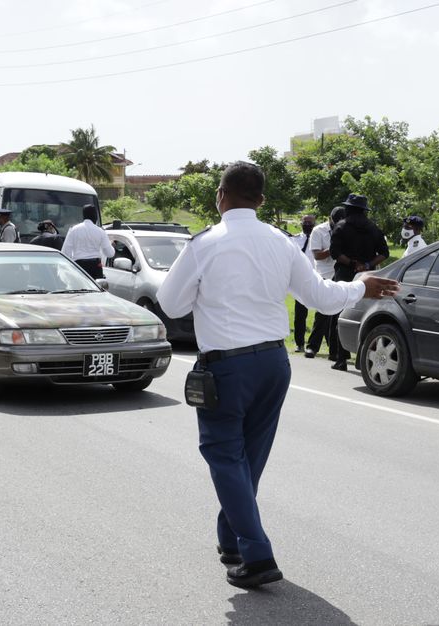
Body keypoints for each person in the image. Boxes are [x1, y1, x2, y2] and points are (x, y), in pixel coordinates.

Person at [156, 162, 399, 589]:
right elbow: (323, 299)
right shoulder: (281, 242)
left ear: (220, 195)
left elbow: (171, 304)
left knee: (224, 456)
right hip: (273, 363)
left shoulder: (205, 243)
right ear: (262, 201)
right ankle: (230, 538)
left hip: (227, 366)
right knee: (248, 457)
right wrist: (362, 285)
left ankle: (257, 553)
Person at [327, 194, 388, 371]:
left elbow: (334, 253)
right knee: (365, 314)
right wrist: (367, 265)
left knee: (340, 314)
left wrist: (353, 264)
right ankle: (362, 358)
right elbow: (384, 252)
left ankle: (340, 358)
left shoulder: (341, 226)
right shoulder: (373, 228)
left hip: (345, 273)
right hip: (367, 276)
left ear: (348, 209)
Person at [304, 207, 344, 358]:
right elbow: (317, 255)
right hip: (324, 274)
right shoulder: (319, 231)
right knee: (322, 312)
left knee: (337, 314)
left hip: (340, 274)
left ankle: (334, 350)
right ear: (330, 219)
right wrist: (333, 249)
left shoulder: (344, 229)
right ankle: (312, 346)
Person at [61, 204, 114, 279]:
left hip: (79, 266)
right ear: (95, 216)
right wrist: (111, 245)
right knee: (96, 289)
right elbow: (110, 253)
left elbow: (66, 252)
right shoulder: (100, 231)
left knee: (80, 289)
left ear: (84, 215)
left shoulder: (74, 230)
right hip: (96, 267)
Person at [290, 214, 316, 352]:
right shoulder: (295, 239)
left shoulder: (318, 239)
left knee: (323, 313)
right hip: (301, 280)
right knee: (300, 314)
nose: (307, 224)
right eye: (305, 222)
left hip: (317, 279)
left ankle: (323, 343)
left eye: (310, 222)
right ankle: (299, 343)